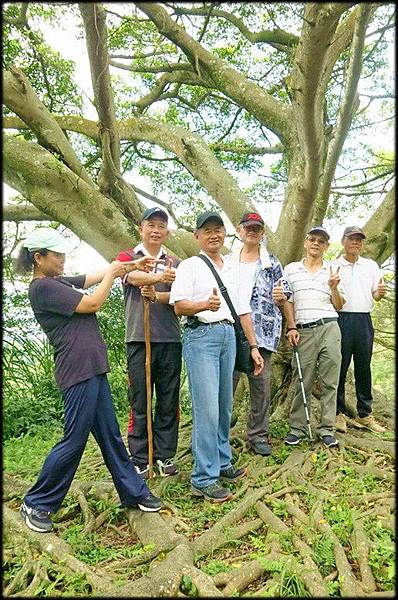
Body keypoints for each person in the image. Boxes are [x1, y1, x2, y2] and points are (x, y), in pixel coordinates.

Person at [14, 228, 163, 533]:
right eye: (56, 256)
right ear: (38, 258)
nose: (62, 260)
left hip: (93, 368)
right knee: (74, 440)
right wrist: (115, 276)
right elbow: (93, 301)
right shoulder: (42, 288)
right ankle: (36, 502)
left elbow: (91, 278)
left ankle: (134, 493)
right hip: (77, 371)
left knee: (110, 436)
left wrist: (126, 266)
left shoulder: (57, 282)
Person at [169, 211, 263, 503]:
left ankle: (222, 462)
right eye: (206, 230)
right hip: (202, 338)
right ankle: (203, 478)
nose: (213, 235)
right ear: (196, 236)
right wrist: (202, 305)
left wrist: (254, 346)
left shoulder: (231, 268)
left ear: (226, 234)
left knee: (224, 406)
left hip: (228, 337)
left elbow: (242, 310)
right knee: (207, 409)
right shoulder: (190, 266)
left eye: (218, 229)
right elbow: (178, 306)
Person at [116, 207, 181, 479]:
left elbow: (181, 297)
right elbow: (130, 277)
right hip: (138, 339)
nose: (156, 230)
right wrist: (156, 278)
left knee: (168, 399)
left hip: (169, 338)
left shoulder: (175, 262)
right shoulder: (127, 257)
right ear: (141, 228)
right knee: (140, 399)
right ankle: (141, 457)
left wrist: (162, 286)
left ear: (167, 232)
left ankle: (165, 456)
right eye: (150, 224)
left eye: (161, 226)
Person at [225, 212, 291, 456]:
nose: (252, 231)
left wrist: (281, 297)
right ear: (239, 231)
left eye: (257, 228)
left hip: (262, 333)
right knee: (225, 387)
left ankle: (258, 436)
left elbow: (286, 293)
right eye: (248, 227)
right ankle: (220, 436)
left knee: (260, 388)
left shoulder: (272, 263)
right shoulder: (227, 261)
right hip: (229, 330)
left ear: (262, 233)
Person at [283, 226, 345, 447]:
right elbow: (287, 300)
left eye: (321, 241)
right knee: (302, 378)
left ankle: (327, 428)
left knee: (331, 380)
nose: (316, 243)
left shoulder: (332, 270)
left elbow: (339, 305)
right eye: (312, 239)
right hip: (303, 330)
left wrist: (334, 288)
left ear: (327, 246)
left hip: (330, 326)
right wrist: (291, 327)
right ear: (305, 242)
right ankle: (297, 428)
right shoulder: (290, 269)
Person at [332, 226, 387, 434]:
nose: (355, 242)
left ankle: (365, 414)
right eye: (351, 239)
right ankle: (337, 412)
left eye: (359, 240)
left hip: (364, 319)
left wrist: (380, 293)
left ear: (363, 244)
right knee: (340, 365)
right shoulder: (334, 265)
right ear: (343, 241)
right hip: (341, 318)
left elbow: (376, 294)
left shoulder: (371, 266)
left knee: (364, 366)